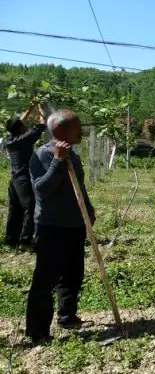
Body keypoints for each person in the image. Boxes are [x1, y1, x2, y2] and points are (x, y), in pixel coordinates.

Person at [25, 109, 95, 343]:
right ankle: (37, 331)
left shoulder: (73, 155)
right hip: (51, 227)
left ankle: (67, 316)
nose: (82, 130)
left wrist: (89, 211)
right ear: (61, 130)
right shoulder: (42, 155)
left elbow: (79, 188)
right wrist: (57, 161)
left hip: (74, 226)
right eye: (77, 126)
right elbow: (42, 190)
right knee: (45, 280)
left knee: (73, 275)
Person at [4, 104, 46, 248]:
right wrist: (41, 111)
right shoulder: (25, 139)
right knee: (30, 206)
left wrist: (29, 109)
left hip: (14, 180)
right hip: (23, 179)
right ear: (21, 128)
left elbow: (17, 124)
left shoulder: (11, 139)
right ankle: (25, 240)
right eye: (23, 125)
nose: (25, 125)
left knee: (14, 208)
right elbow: (41, 126)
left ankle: (11, 239)